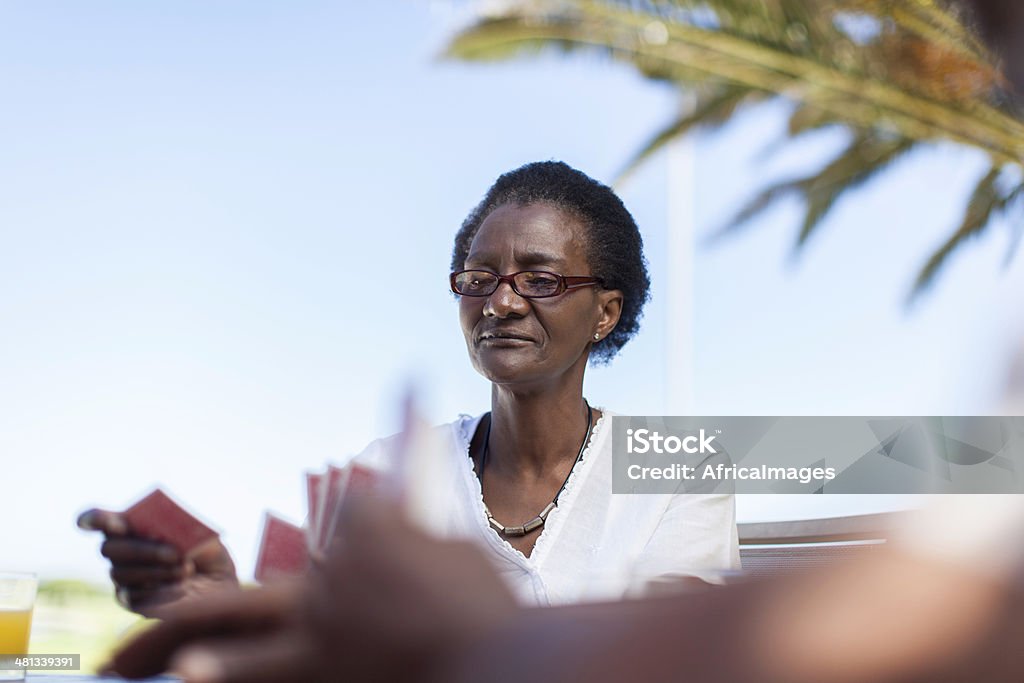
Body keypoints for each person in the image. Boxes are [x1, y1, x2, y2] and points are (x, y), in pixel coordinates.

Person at [79, 160, 739, 612]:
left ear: (606, 311)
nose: (500, 303)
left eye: (540, 280)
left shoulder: (680, 471)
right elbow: (320, 648)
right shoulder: (389, 469)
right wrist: (229, 603)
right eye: (478, 276)